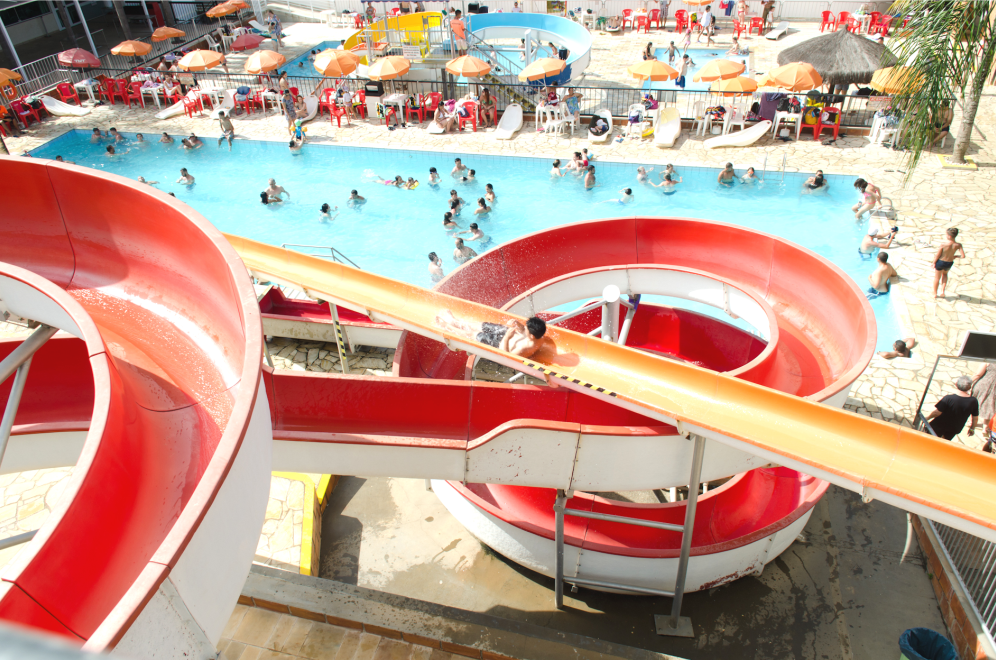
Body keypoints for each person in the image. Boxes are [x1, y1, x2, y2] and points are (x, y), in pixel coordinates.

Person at [435, 310, 547, 358]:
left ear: (531, 336)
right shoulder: (539, 335)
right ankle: (455, 321)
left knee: (473, 333)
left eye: (526, 329)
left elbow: (506, 356)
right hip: (508, 334)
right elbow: (524, 331)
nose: (525, 328)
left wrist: (507, 338)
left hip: (500, 343)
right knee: (482, 325)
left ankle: (447, 326)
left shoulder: (525, 349)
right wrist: (518, 325)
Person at [925, 376, 979, 441]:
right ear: (970, 387)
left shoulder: (948, 398)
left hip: (939, 425)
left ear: (956, 384)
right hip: (954, 428)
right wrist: (972, 429)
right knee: (944, 443)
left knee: (929, 440)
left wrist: (927, 418)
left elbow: (937, 413)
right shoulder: (973, 401)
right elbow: (975, 418)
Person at [932, 227, 965, 298]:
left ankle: (935, 293)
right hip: (949, 263)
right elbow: (963, 256)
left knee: (937, 278)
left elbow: (938, 255)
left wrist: (934, 263)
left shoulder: (943, 245)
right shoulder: (958, 245)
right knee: (945, 275)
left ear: (949, 236)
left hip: (940, 262)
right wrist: (956, 256)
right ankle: (942, 291)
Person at [971, 363, 995, 437]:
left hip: (983, 385)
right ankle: (985, 427)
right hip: (995, 389)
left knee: (975, 402)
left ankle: (971, 422)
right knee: (990, 406)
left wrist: (967, 381)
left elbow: (978, 374)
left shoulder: (988, 360)